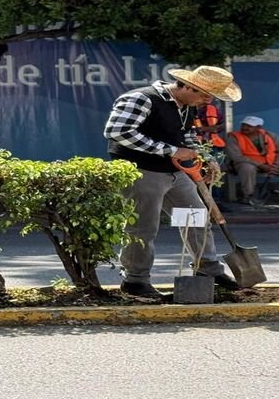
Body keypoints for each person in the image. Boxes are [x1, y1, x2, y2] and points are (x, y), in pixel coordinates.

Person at [104, 65, 243, 298]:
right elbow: (118, 132)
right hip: (141, 171)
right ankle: (135, 281)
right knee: (143, 228)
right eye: (205, 95)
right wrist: (170, 150)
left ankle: (207, 269)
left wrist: (206, 157)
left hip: (175, 174)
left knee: (198, 218)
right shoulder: (141, 98)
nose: (207, 101)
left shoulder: (188, 106)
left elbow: (187, 137)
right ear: (188, 86)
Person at [225, 116, 279, 205]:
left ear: (258, 128)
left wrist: (277, 164)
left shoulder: (270, 135)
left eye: (249, 126)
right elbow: (236, 156)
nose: (245, 128)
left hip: (272, 163)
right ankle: (248, 196)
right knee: (247, 168)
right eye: (243, 125)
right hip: (250, 164)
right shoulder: (233, 137)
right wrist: (261, 165)